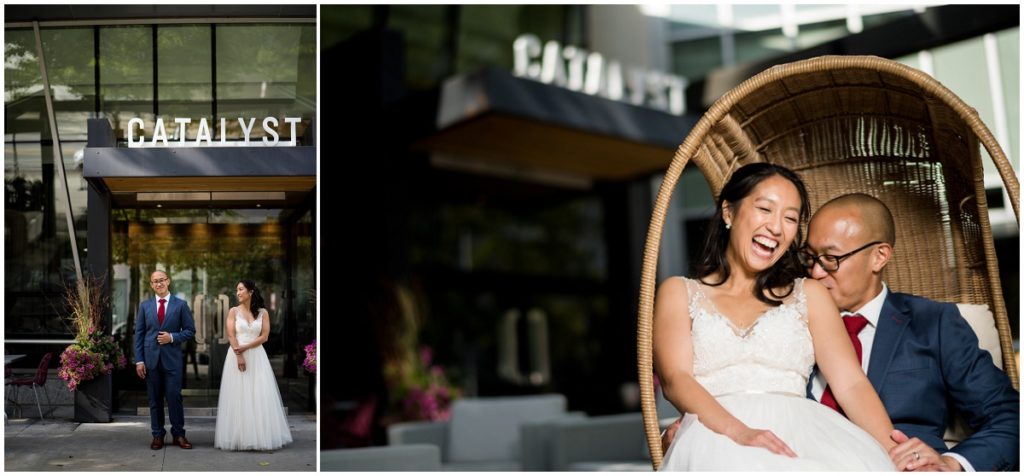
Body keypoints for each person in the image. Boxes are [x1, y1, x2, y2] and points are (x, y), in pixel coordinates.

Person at [654, 163, 896, 470]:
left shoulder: (809, 294)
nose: (777, 227)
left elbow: (851, 384)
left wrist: (892, 448)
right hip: (715, 435)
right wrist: (739, 433)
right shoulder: (679, 292)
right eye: (765, 209)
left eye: (790, 217)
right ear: (729, 212)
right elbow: (676, 380)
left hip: (802, 436)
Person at [802, 193, 1018, 471]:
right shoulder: (790, 323)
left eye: (831, 258)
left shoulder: (934, 323)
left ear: (879, 257)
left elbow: (1009, 417)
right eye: (809, 257)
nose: (816, 272)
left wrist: (951, 464)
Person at [214, 280, 293, 451]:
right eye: (237, 290)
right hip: (236, 354)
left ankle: (259, 435)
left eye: (241, 289)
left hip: (257, 356)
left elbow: (264, 337)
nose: (238, 293)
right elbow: (231, 335)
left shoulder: (263, 312)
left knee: (259, 394)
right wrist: (240, 354)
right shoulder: (233, 311)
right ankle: (240, 436)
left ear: (250, 292)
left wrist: (247, 347)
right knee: (239, 395)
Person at [134, 270, 196, 450]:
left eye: (161, 280)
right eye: (155, 281)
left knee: (174, 398)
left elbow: (190, 331)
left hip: (172, 361)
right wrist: (139, 360)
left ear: (168, 281)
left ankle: (179, 435)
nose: (158, 284)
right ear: (151, 285)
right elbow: (139, 335)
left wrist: (172, 337)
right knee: (154, 400)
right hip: (151, 360)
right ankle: (157, 435)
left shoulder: (181, 305)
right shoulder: (145, 306)